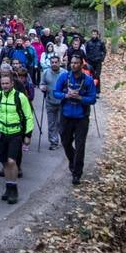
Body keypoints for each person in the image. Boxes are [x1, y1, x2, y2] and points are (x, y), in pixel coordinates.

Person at [0, 73, 33, 205]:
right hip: (2, 133)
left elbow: (28, 116)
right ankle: (8, 188)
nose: (5, 86)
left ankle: (14, 190)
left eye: (7, 83)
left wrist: (28, 135)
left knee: (12, 161)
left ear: (12, 84)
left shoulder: (20, 97)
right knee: (5, 163)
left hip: (16, 134)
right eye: (3, 84)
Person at [54, 52, 97, 185]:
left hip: (81, 118)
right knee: (65, 143)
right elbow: (55, 92)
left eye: (76, 63)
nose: (73, 65)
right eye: (72, 63)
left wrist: (81, 98)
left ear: (81, 64)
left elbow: (93, 99)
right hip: (66, 116)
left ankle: (77, 173)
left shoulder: (88, 80)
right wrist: (66, 95)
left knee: (80, 146)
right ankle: (73, 161)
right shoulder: (64, 77)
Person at [39, 55, 66, 150]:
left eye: (56, 62)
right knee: (51, 123)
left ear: (59, 63)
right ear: (50, 63)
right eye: (52, 62)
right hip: (50, 101)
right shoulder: (46, 73)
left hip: (62, 102)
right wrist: (42, 88)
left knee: (60, 123)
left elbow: (69, 85)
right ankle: (54, 142)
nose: (54, 64)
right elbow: (41, 84)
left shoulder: (64, 73)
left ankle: (64, 140)